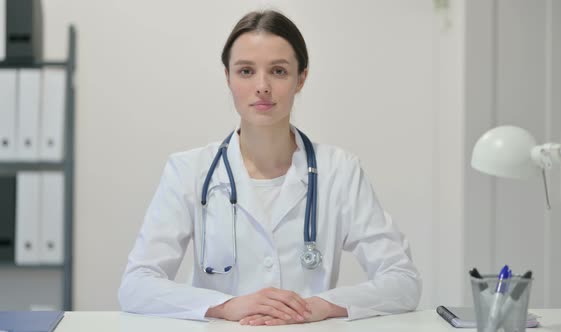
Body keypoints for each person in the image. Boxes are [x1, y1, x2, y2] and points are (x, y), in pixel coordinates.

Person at [118, 9, 421, 326]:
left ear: (300, 78)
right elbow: (136, 285)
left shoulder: (340, 171)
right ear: (228, 77)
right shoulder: (188, 170)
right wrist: (225, 306)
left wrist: (324, 305)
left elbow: (402, 281)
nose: (262, 86)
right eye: (246, 71)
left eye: (278, 71)